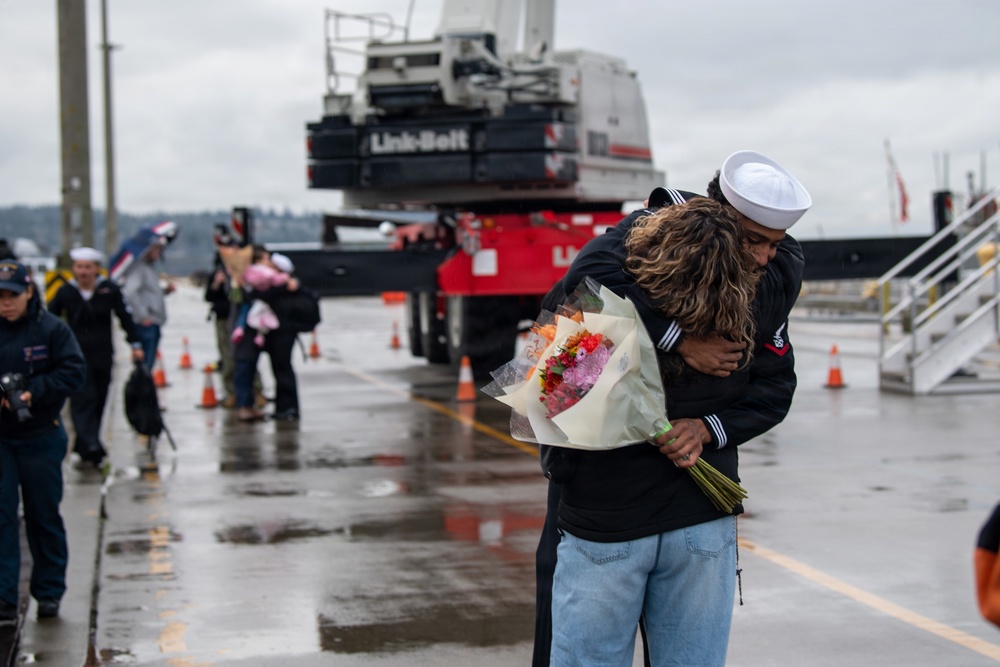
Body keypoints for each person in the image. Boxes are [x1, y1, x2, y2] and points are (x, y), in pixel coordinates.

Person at [534, 150, 810, 667]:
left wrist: (704, 429)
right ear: (717, 218)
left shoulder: (766, 282)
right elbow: (589, 284)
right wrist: (677, 340)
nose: (764, 259)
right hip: (643, 517)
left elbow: (559, 359)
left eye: (774, 244)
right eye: (753, 241)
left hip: (649, 516)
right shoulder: (643, 244)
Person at [0, 259, 87, 623]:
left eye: (12, 296)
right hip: (2, 439)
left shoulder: (52, 329)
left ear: (30, 291)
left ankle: (49, 591)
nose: (6, 303)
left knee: (42, 514)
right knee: (2, 516)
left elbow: (73, 373)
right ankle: (4, 598)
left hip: (41, 435)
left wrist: (32, 392)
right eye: (0, 297)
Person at [47, 247, 144, 468]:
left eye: (87, 267)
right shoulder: (65, 292)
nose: (83, 272)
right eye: (79, 267)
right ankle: (91, 444)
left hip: (102, 354)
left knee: (100, 398)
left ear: (96, 269)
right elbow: (49, 319)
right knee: (83, 399)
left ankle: (85, 445)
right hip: (74, 356)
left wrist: (135, 343)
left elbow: (124, 317)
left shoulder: (108, 290)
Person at [122, 241, 174, 370]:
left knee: (149, 364)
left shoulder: (149, 268)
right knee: (144, 365)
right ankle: (142, 389)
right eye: (155, 248)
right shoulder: (138, 268)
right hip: (146, 323)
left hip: (154, 321)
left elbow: (149, 293)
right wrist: (143, 315)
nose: (158, 252)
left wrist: (165, 291)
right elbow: (130, 293)